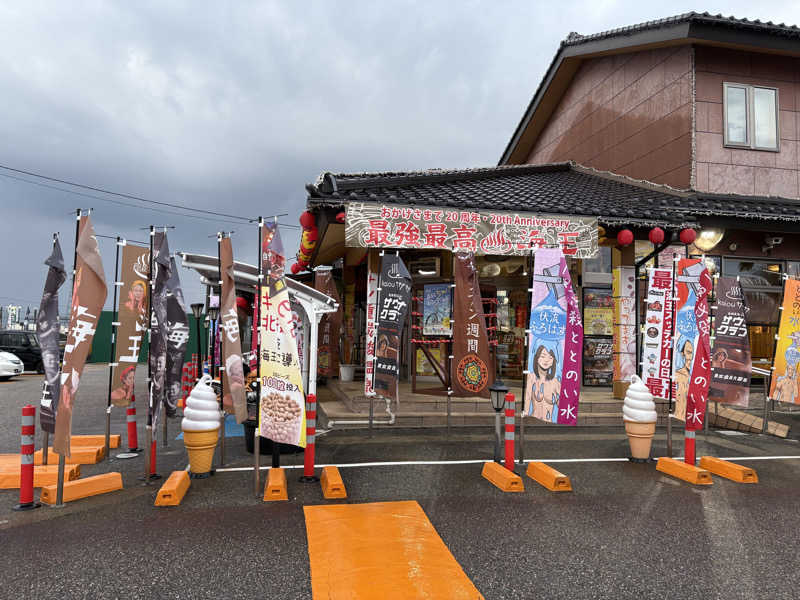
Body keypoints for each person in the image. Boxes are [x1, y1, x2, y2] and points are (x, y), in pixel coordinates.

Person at [527, 344, 561, 422]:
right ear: (537, 358)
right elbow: (527, 401)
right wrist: (525, 413)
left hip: (550, 423)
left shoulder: (555, 382)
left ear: (553, 361)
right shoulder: (531, 377)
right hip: (533, 421)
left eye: (550, 357)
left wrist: (558, 400)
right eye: (543, 356)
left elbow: (564, 405)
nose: (546, 360)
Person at [674, 339, 694, 420]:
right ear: (682, 354)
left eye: (695, 352)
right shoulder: (678, 376)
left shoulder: (701, 378)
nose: (691, 357)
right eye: (689, 352)